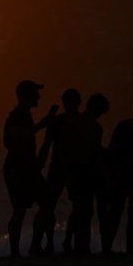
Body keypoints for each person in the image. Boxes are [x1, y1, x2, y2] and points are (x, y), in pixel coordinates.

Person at [2, 80, 54, 257]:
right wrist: (41, 125)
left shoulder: (24, 115)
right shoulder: (16, 115)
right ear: (28, 96)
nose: (39, 97)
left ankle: (34, 246)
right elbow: (16, 138)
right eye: (35, 93)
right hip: (18, 168)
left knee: (46, 203)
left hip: (27, 166)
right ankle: (15, 252)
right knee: (20, 209)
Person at [31, 88, 81, 254]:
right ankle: (50, 242)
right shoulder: (62, 121)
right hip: (62, 167)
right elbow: (47, 144)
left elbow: (46, 144)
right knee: (49, 206)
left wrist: (40, 162)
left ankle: (58, 242)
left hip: (67, 168)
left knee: (56, 206)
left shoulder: (71, 121)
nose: (69, 105)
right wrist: (40, 162)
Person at [102, 94, 133, 255]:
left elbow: (112, 150)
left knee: (125, 213)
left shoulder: (126, 126)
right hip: (129, 174)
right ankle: (130, 249)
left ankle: (115, 248)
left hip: (128, 174)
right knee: (130, 213)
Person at [63, 93, 108, 256]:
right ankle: (77, 245)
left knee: (81, 210)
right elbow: (92, 149)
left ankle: (76, 244)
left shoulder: (84, 125)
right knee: (82, 210)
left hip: (82, 171)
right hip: (80, 171)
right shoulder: (88, 126)